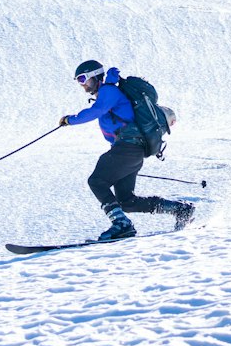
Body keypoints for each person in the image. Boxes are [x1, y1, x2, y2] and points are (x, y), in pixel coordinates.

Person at [59, 58, 194, 241]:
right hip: (132, 150)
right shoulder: (107, 93)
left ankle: (122, 225)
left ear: (94, 76)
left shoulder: (108, 91)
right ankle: (180, 210)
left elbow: (94, 112)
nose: (81, 85)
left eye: (83, 79)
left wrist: (70, 120)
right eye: (78, 81)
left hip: (128, 148)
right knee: (127, 202)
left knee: (97, 181)